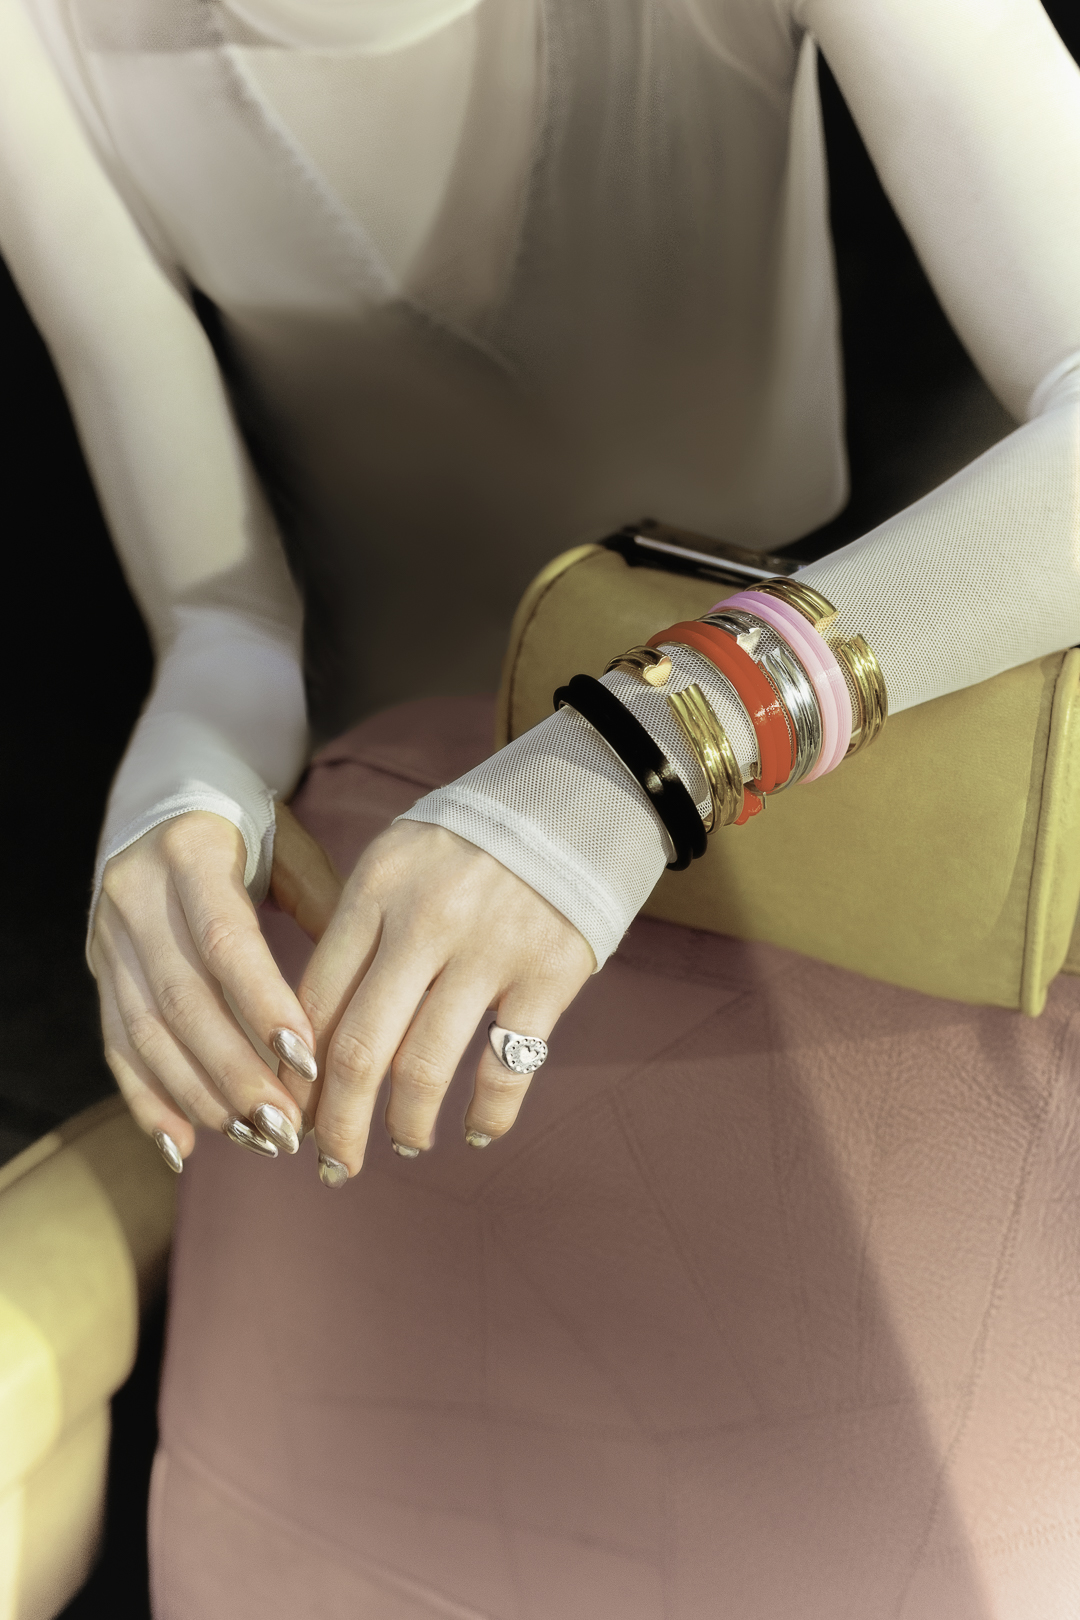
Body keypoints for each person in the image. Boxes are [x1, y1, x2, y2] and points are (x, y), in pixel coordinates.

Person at [1, 0, 1079, 1612]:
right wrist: (178, 788)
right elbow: (223, 609)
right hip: (378, 858)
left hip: (802, 807)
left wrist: (653, 745)